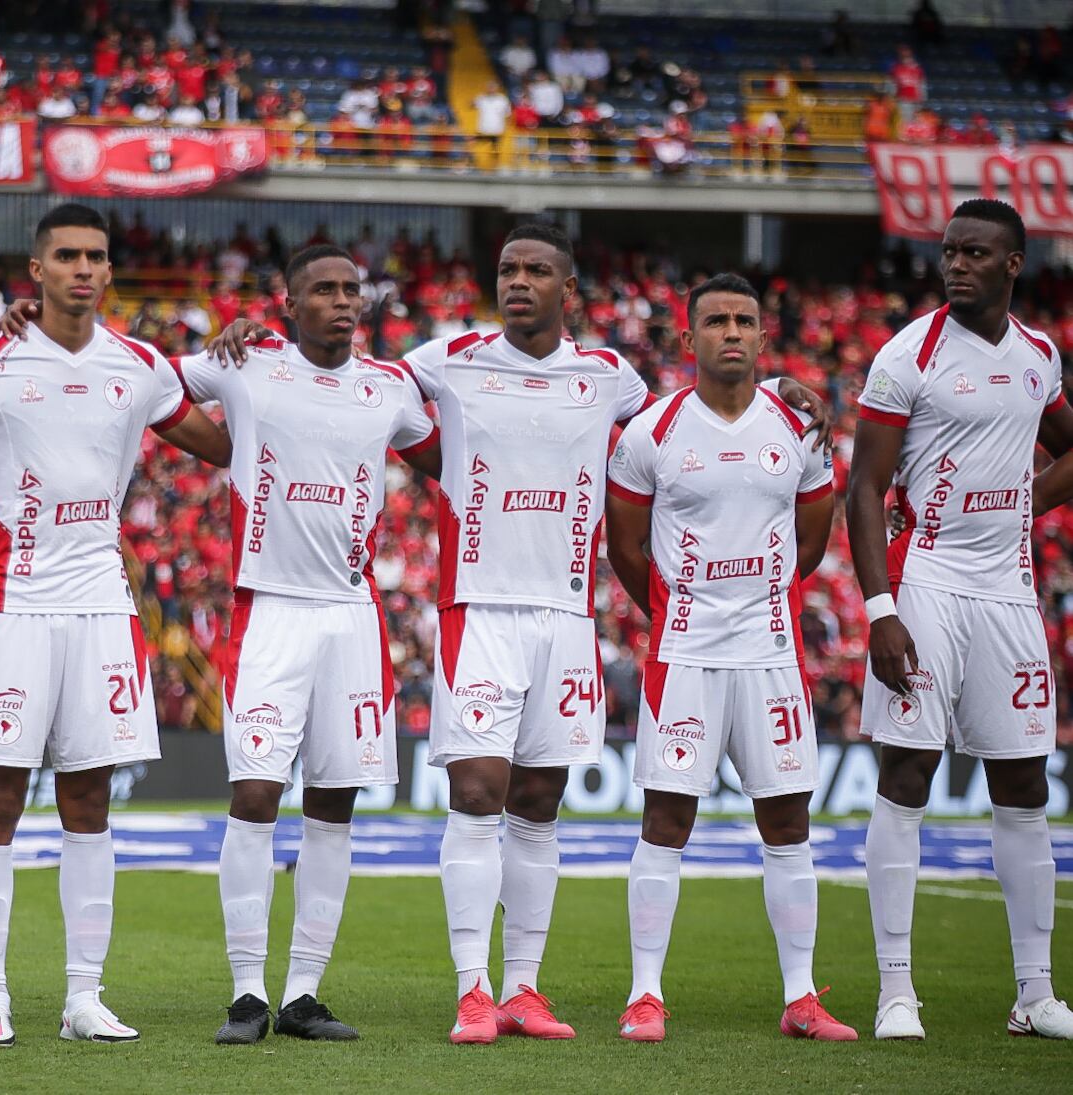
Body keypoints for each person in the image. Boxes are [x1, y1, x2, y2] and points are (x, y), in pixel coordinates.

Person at [208, 220, 832, 1046]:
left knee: (540, 802)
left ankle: (522, 988)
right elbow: (339, 385)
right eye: (508, 269)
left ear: (567, 291)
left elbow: (701, 416)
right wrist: (256, 338)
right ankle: (471, 989)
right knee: (475, 794)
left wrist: (780, 386)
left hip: (565, 618)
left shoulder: (608, 377)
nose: (519, 282)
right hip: (480, 612)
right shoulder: (442, 362)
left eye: (537, 270)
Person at [0, 203, 229, 1047]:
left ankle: (82, 996)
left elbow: (223, 440)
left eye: (96, 255)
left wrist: (257, 363)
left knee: (89, 800)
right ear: (36, 269)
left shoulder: (139, 365)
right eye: (66, 255)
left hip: (101, 603)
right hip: (10, 605)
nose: (83, 268)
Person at [175, 246, 440, 1044]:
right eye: (322, 290)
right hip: (271, 612)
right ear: (287, 303)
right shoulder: (245, 364)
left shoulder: (389, 388)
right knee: (255, 794)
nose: (340, 301)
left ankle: (301, 994)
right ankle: (245, 992)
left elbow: (454, 451)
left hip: (352, 616)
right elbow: (143, 384)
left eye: (350, 290)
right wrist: (219, 436)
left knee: (335, 801)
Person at [603, 273, 854, 1043]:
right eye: (715, 321)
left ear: (762, 335)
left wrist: (757, 600)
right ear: (689, 339)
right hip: (682, 653)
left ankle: (800, 996)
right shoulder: (651, 430)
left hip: (770, 653)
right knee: (666, 815)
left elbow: (811, 535)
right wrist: (679, 606)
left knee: (786, 819)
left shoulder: (797, 427)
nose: (731, 332)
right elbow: (624, 546)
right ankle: (645, 994)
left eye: (744, 319)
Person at [845, 198, 1073, 1041]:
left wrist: (1024, 507)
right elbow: (862, 488)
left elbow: (1064, 447)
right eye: (948, 252)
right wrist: (879, 610)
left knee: (1022, 785)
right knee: (906, 774)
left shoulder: (1038, 356)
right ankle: (895, 991)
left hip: (1009, 593)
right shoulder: (909, 354)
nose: (956, 265)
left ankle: (1035, 992)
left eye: (975, 253)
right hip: (926, 584)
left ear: (1014, 263)